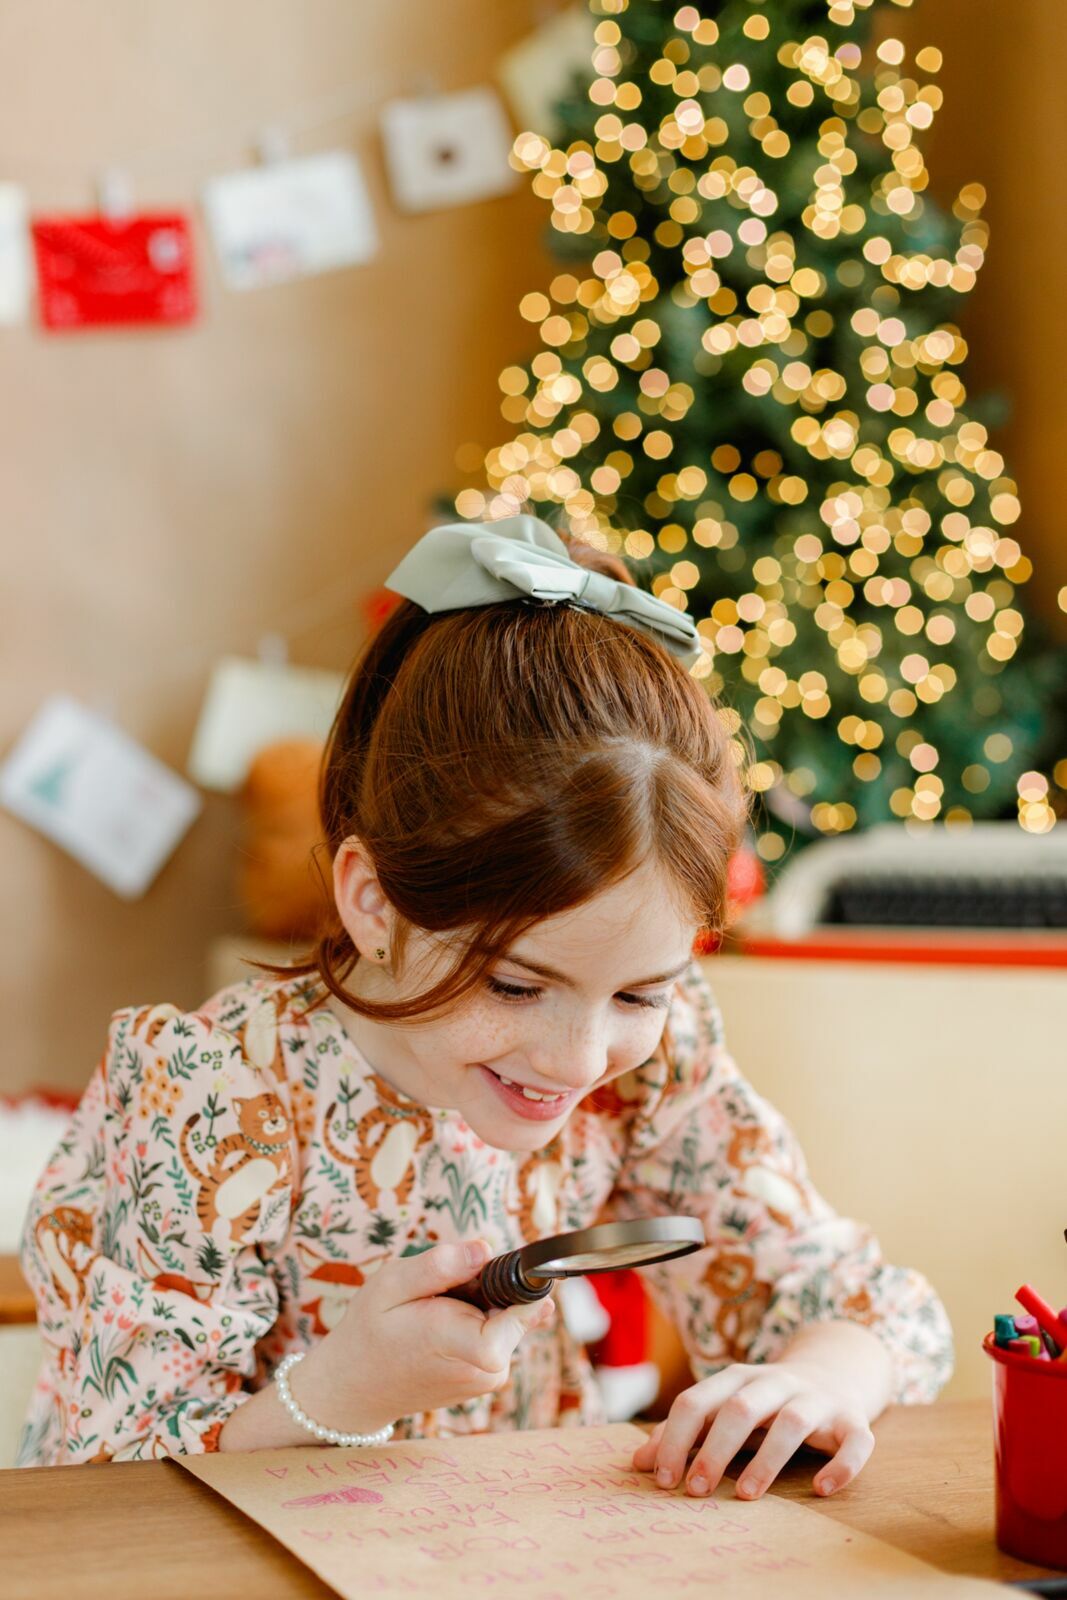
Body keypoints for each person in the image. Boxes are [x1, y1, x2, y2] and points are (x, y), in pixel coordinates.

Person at [18, 516, 952, 1501]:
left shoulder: (654, 1068)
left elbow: (860, 1301)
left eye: (639, 991)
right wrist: (340, 1391)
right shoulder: (210, 1096)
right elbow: (105, 1485)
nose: (578, 1060)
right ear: (373, 901)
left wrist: (820, 1379)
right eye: (516, 985)